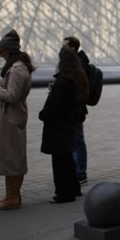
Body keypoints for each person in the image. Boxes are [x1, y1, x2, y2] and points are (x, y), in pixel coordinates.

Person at [0, 30, 35, 211]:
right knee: (10, 158)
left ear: (9, 51)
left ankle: (12, 197)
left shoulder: (18, 70)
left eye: (1, 51)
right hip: (11, 118)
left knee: (13, 159)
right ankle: (12, 196)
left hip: (11, 119)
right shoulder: (17, 68)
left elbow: (12, 96)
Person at [38, 48, 87, 203]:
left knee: (59, 162)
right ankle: (74, 188)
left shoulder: (62, 82)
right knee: (68, 159)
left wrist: (42, 114)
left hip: (58, 127)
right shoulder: (77, 79)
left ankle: (63, 193)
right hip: (69, 124)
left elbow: (53, 107)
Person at [62, 36, 91, 185]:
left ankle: (81, 173)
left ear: (72, 49)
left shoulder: (79, 65)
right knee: (74, 140)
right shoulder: (77, 63)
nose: (62, 49)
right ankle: (76, 171)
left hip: (76, 108)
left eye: (64, 46)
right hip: (74, 107)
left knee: (78, 141)